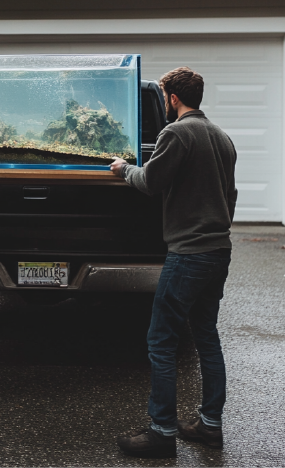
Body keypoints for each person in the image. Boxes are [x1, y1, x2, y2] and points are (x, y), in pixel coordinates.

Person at [110, 67, 238, 458]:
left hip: (189, 253)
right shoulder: (222, 136)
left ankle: (161, 432)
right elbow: (230, 196)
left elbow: (151, 181)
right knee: (206, 337)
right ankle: (209, 426)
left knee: (161, 341)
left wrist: (123, 169)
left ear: (172, 99)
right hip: (219, 250)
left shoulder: (176, 133)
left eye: (165, 97)